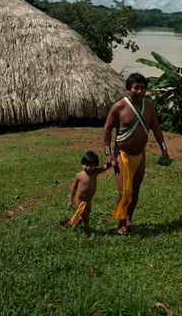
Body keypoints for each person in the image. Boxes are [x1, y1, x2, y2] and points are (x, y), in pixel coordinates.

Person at [103, 72, 170, 235]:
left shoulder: (149, 106)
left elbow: (156, 128)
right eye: (136, 88)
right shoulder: (119, 107)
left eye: (143, 88)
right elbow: (107, 131)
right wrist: (107, 154)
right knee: (124, 191)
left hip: (140, 155)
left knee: (135, 189)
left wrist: (164, 149)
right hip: (122, 154)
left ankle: (129, 219)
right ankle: (121, 223)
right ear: (128, 90)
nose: (140, 91)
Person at [66, 150, 113, 236]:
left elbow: (104, 167)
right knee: (86, 219)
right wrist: (70, 200)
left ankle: (71, 225)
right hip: (79, 200)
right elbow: (73, 188)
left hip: (88, 200)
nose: (88, 168)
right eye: (86, 165)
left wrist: (111, 163)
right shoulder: (79, 175)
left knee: (83, 216)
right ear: (82, 164)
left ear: (96, 165)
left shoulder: (95, 173)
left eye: (92, 165)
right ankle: (88, 235)